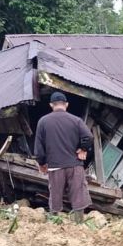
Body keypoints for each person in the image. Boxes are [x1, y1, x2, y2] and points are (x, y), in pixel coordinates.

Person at [34, 92, 93, 223]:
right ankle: (79, 223)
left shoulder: (43, 121)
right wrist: (83, 149)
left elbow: (39, 148)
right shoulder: (76, 120)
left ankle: (55, 223)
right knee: (78, 195)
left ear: (51, 105)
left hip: (55, 167)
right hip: (75, 165)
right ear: (66, 104)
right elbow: (88, 137)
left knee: (55, 196)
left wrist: (42, 163)